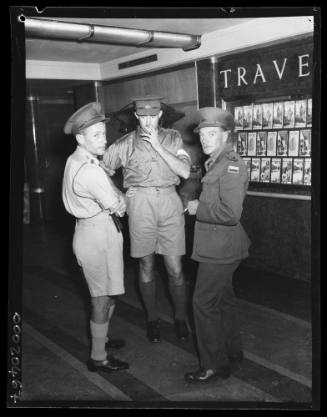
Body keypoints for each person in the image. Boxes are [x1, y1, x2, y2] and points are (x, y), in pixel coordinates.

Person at [102, 96, 191, 343]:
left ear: (160, 115)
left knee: (175, 269)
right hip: (140, 204)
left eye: (153, 115)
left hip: (169, 203)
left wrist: (157, 146)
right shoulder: (125, 143)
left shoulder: (173, 138)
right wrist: (118, 194)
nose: (148, 120)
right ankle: (152, 319)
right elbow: (102, 170)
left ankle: (180, 318)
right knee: (146, 265)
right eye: (143, 116)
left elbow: (184, 171)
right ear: (137, 116)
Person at [184, 107, 251, 383]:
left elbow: (230, 213)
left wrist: (198, 207)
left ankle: (214, 364)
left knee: (202, 302)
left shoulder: (231, 165)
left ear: (226, 134)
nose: (206, 139)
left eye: (213, 134)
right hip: (220, 245)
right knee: (223, 299)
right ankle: (233, 351)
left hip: (220, 248)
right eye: (203, 135)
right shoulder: (216, 161)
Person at [62, 102, 129, 373]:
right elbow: (120, 206)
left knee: (110, 293)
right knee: (101, 299)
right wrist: (123, 196)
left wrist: (114, 193)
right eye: (96, 136)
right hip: (96, 236)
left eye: (104, 133)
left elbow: (108, 186)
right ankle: (98, 357)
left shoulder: (80, 159)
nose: (104, 140)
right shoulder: (89, 169)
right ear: (80, 138)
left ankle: (103, 338)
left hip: (97, 231)